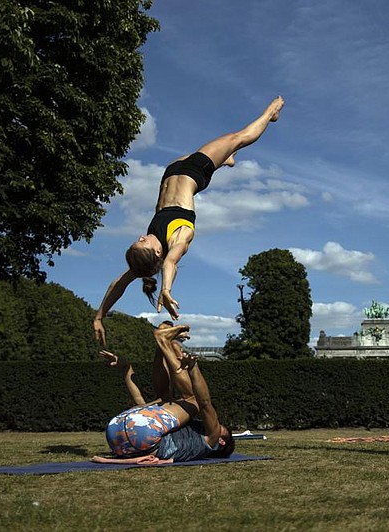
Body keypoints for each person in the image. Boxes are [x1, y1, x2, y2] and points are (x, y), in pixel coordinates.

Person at [93, 96, 285, 343]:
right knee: (240, 137)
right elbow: (172, 263)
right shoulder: (179, 236)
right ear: (158, 253)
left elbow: (116, 285)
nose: (141, 236)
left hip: (173, 169)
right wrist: (165, 289)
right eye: (142, 242)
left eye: (137, 240)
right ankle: (272, 111)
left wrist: (99, 316)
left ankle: (227, 159)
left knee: (227, 148)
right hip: (196, 170)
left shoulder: (145, 258)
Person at [92, 322, 235, 464]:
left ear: (221, 441)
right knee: (163, 399)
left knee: (194, 400)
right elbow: (141, 406)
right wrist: (127, 369)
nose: (217, 423)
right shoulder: (184, 434)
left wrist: (193, 368)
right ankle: (161, 345)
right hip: (117, 438)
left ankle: (163, 341)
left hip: (139, 435)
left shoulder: (212, 439)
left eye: (222, 428)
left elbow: (204, 403)